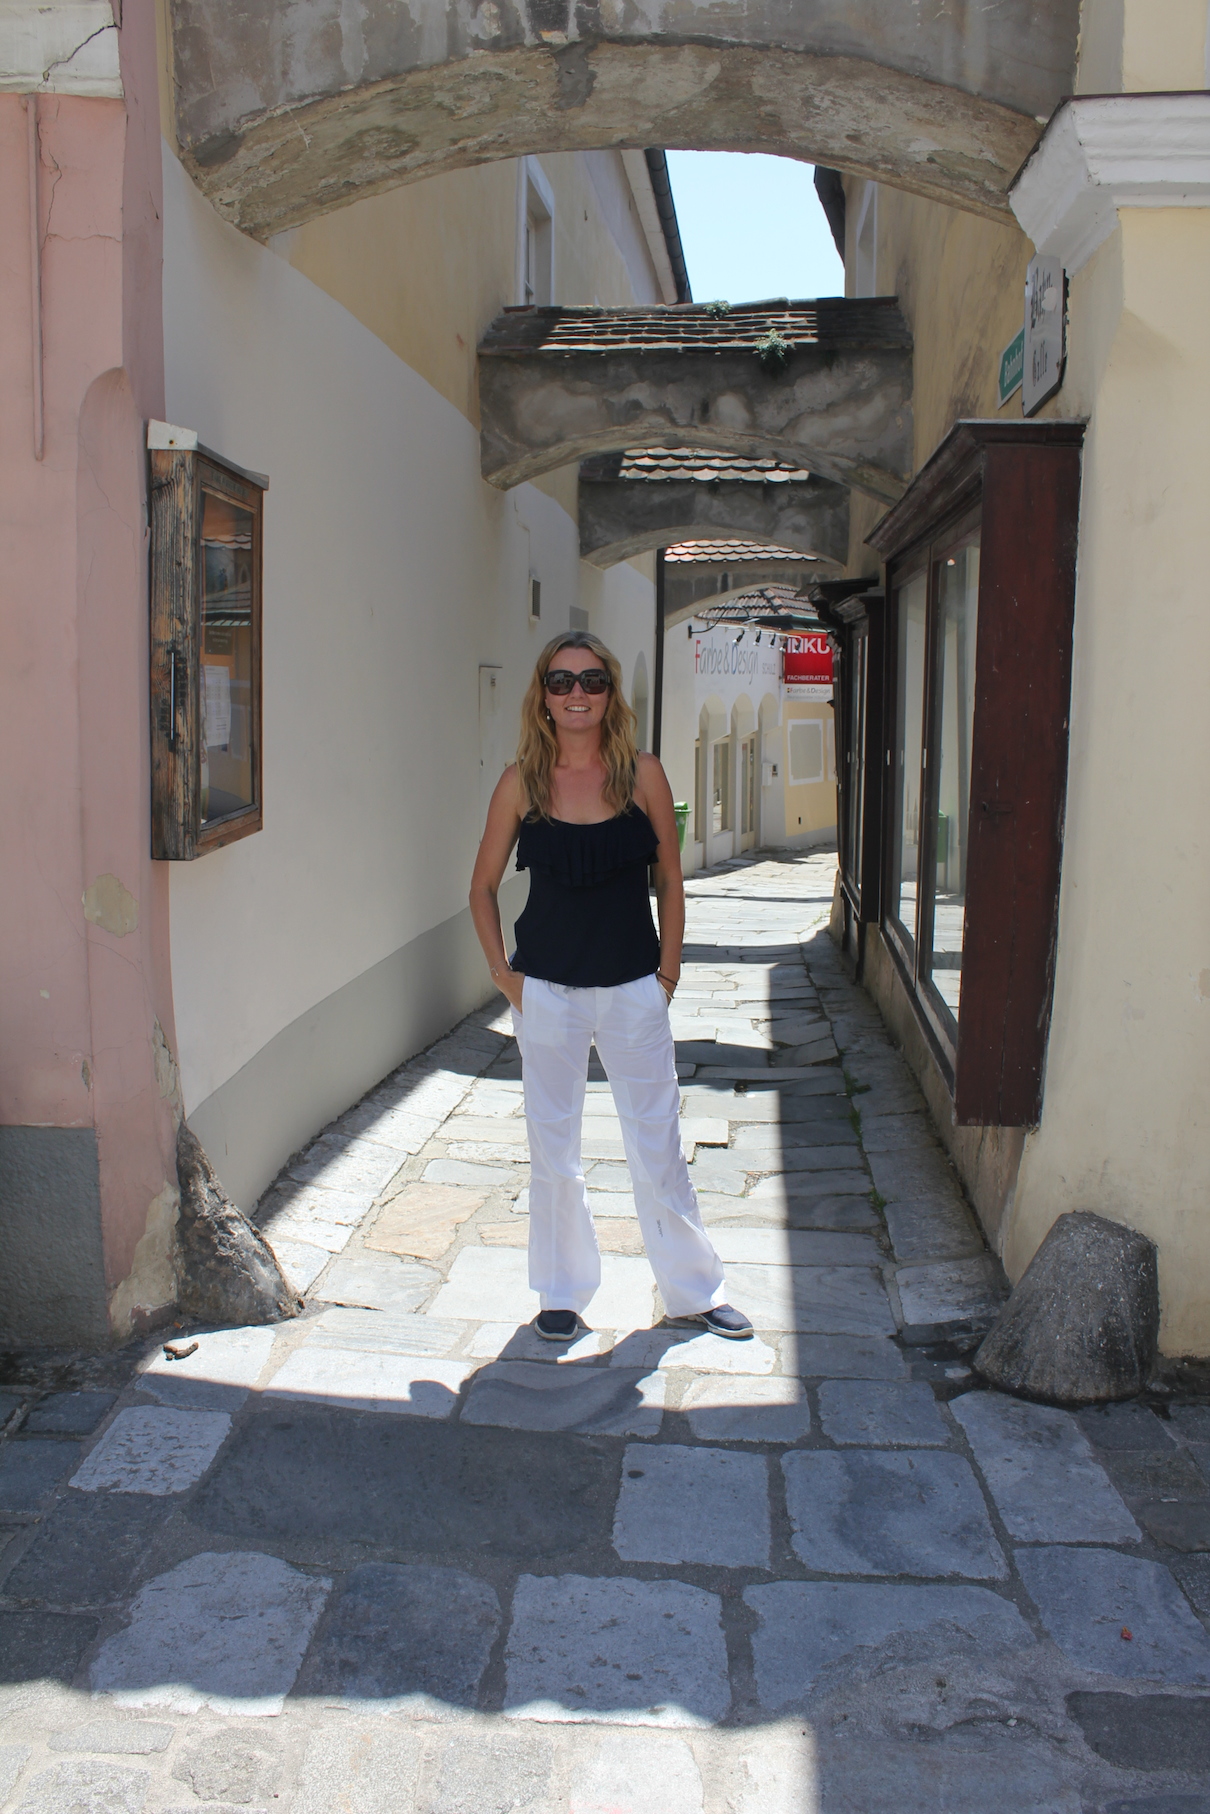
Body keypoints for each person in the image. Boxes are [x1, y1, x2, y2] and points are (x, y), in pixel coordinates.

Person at [469, 631, 752, 1342]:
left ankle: (694, 1290)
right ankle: (561, 1292)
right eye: (562, 681)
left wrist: (668, 975)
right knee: (553, 1148)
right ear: (543, 695)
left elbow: (671, 881)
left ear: (610, 693)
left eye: (592, 681)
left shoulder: (642, 774)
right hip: (548, 993)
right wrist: (506, 978)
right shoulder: (521, 782)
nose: (577, 694)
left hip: (633, 988)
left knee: (657, 1142)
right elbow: (480, 888)